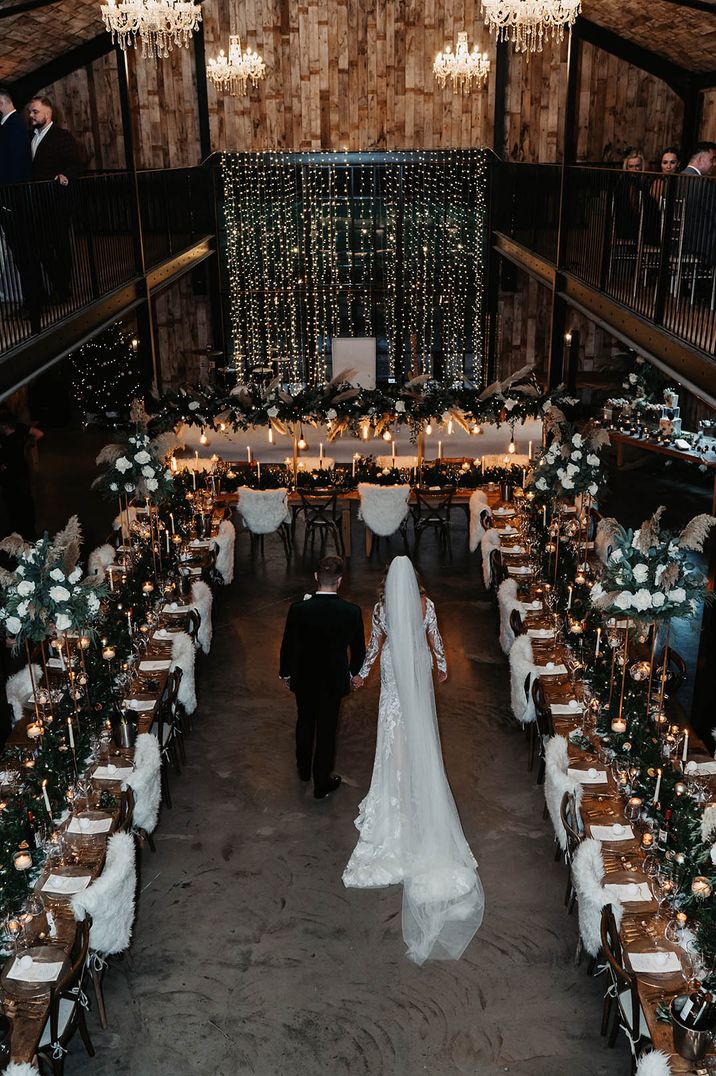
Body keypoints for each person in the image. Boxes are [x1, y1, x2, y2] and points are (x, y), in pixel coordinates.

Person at [344, 556, 484, 965]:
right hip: (416, 667)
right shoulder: (428, 605)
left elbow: (374, 647)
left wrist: (362, 675)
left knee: (394, 732)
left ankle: (395, 786)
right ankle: (420, 785)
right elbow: (436, 641)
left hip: (392, 671)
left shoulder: (382, 609)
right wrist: (441, 666)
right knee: (419, 725)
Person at [279, 555, 365, 800]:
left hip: (304, 677)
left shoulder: (298, 609)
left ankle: (303, 769)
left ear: (316, 577)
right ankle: (321, 783)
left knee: (304, 721)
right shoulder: (351, 612)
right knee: (327, 730)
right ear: (339, 581)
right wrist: (352, 673)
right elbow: (358, 650)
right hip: (333, 680)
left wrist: (286, 672)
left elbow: (288, 645)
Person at [28, 96, 83, 306]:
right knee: (41, 248)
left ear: (47, 114)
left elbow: (75, 164)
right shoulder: (29, 137)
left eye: (35, 112)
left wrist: (65, 175)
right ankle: (59, 286)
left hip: (56, 201)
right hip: (36, 202)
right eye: (30, 112)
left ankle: (62, 290)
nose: (31, 115)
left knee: (60, 246)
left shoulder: (62, 137)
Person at [0, 408, 43, 539]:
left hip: (11, 479)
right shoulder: (20, 430)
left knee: (14, 507)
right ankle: (29, 532)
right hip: (22, 474)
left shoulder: (7, 443)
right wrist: (28, 444)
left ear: (4, 426)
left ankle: (19, 534)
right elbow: (40, 433)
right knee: (26, 503)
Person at [679, 141, 716, 271]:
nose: (714, 164)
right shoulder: (704, 184)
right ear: (700, 159)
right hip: (699, 246)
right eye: (712, 159)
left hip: (675, 243)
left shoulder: (673, 179)